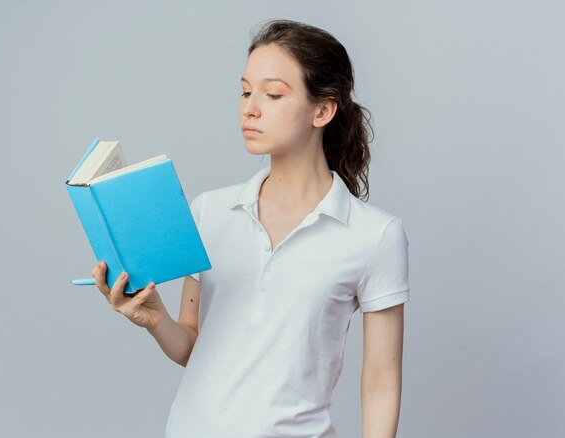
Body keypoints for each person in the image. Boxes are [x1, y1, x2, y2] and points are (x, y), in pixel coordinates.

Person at [91, 19, 409, 438]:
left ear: (323, 110)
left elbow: (380, 384)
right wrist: (155, 320)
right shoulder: (210, 212)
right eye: (245, 91)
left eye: (273, 94)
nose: (249, 108)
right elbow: (193, 346)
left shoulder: (375, 236)